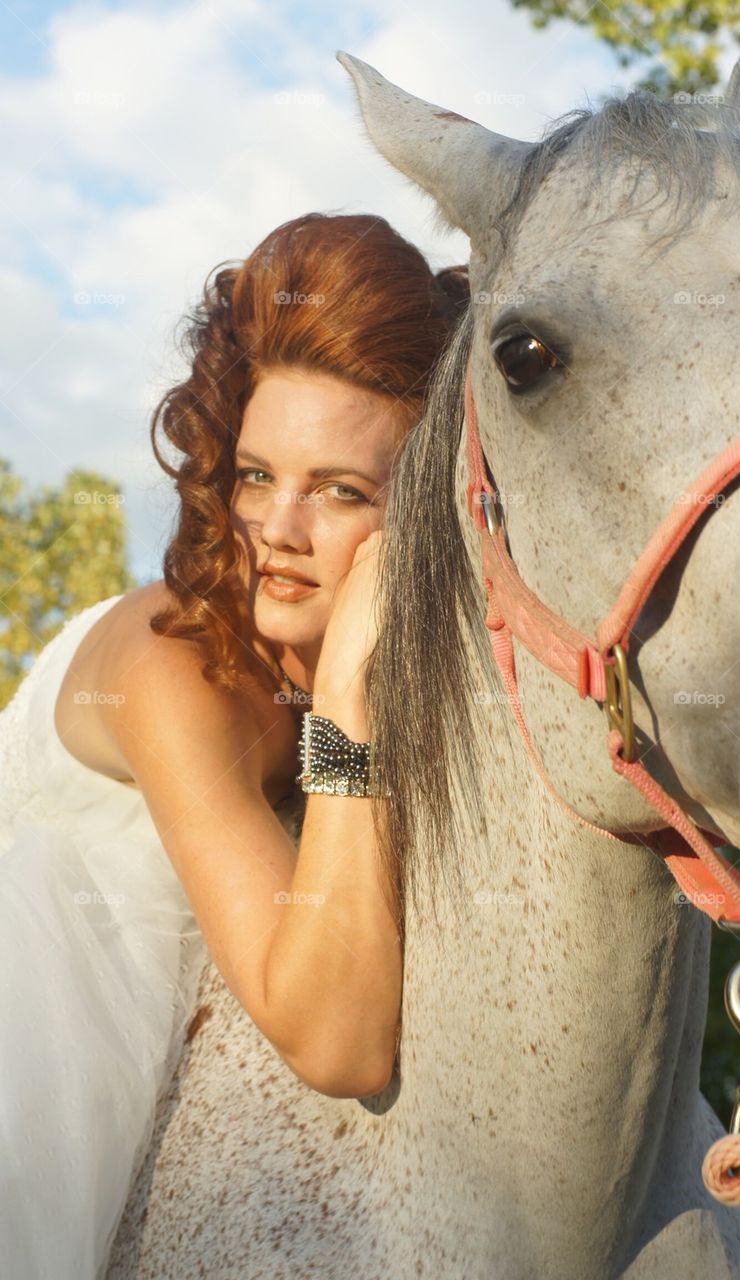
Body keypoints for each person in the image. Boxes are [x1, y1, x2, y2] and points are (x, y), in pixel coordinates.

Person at [0, 211, 468, 1279]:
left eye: (340, 489)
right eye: (255, 475)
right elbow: (338, 1038)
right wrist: (349, 707)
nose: (277, 529)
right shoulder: (176, 668)